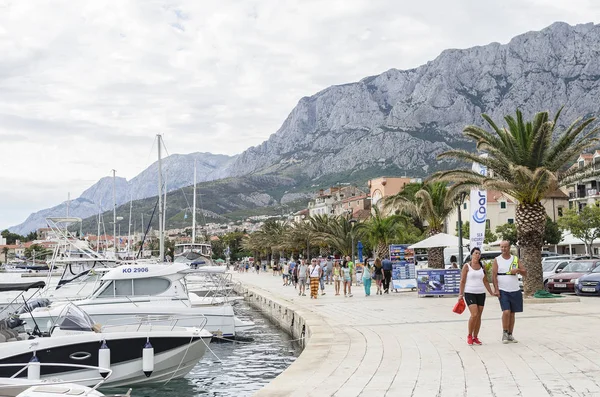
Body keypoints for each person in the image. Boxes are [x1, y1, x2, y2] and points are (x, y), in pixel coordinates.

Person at [458, 247, 497, 345]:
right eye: (476, 253)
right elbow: (462, 281)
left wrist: (491, 292)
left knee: (479, 316)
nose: (477, 255)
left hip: (480, 293)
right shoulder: (467, 266)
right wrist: (460, 294)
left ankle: (476, 336)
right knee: (474, 314)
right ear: (472, 255)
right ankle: (469, 335)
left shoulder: (482, 266)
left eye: (479, 253)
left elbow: (485, 281)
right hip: (470, 292)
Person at [493, 240, 527, 344]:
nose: (503, 249)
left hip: (515, 289)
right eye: (501, 247)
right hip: (503, 290)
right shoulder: (497, 259)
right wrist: (496, 289)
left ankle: (510, 334)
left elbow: (525, 272)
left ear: (509, 247)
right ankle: (504, 332)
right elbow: (494, 275)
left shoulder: (515, 259)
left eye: (505, 247)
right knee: (506, 312)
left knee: (512, 313)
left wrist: (518, 270)